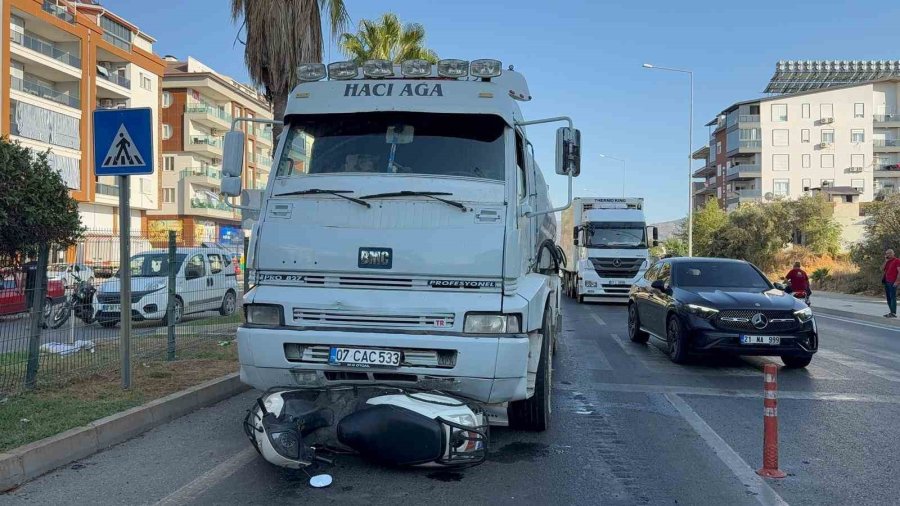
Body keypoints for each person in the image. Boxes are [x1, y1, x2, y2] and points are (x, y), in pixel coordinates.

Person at [882, 249, 900, 318]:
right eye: (887, 253)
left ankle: (893, 313)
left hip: (893, 281)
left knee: (892, 297)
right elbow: (882, 269)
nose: (888, 255)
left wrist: (897, 281)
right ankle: (891, 312)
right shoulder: (888, 261)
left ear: (893, 253)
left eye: (889, 253)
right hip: (886, 281)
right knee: (888, 298)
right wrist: (885, 261)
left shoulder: (897, 261)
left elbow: (899, 271)